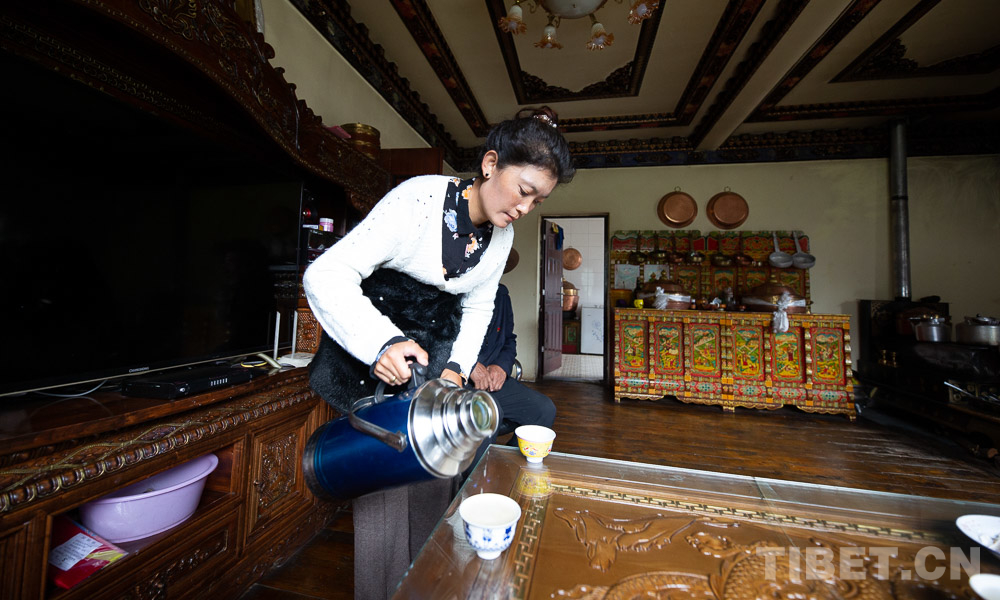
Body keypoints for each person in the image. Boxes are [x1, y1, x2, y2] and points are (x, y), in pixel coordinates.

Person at [302, 106, 574, 600]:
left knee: (435, 480)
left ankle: (428, 588)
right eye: (523, 190)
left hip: (433, 368)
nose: (525, 208)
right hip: (373, 365)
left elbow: (479, 308)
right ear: (490, 164)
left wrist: (453, 371)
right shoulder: (418, 200)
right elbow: (326, 274)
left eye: (538, 200)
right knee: (385, 494)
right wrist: (381, 343)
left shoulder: (502, 237)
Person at [470, 284, 556, 437]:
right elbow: (435, 343)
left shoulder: (501, 293)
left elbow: (509, 339)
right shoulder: (448, 290)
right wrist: (469, 365)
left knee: (543, 409)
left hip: (492, 383)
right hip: (457, 381)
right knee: (487, 417)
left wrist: (501, 366)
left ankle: (515, 454)